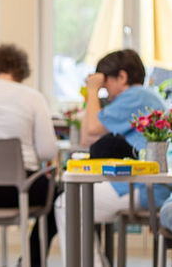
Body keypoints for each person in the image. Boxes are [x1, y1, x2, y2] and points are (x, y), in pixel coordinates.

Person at [55, 49, 170, 265]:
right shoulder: (147, 95)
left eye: (105, 83)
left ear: (122, 77)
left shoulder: (134, 96)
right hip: (152, 185)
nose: (105, 91)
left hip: (145, 188)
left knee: (65, 204)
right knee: (77, 201)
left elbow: (89, 133)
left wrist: (91, 90)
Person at [0, 44, 58, 266]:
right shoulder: (33, 97)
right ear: (22, 70)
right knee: (60, 197)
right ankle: (32, 261)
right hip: (22, 191)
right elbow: (48, 151)